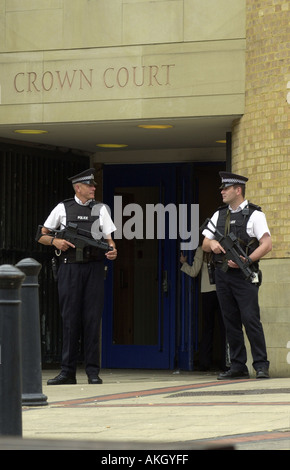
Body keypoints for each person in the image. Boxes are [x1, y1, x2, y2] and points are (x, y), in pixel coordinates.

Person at [38, 168, 117, 385]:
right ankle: (67, 372)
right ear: (78, 187)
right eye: (90, 185)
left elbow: (110, 239)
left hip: (93, 268)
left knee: (92, 319)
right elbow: (42, 235)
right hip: (69, 267)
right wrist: (56, 242)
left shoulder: (100, 209)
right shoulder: (63, 208)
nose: (94, 188)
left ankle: (92, 371)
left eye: (94, 186)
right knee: (70, 320)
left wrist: (112, 250)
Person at [202, 171, 272, 380]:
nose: (222, 192)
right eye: (222, 189)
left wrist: (247, 260)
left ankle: (261, 365)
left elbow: (267, 244)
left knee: (251, 319)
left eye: (226, 188)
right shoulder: (219, 215)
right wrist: (213, 244)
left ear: (238, 190)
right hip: (223, 275)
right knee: (230, 321)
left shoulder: (255, 215)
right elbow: (205, 242)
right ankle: (238, 366)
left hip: (244, 275)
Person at [180, 247, 227, 371]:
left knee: (207, 329)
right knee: (225, 329)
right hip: (222, 292)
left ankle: (204, 363)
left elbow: (194, 272)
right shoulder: (222, 248)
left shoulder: (201, 250)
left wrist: (184, 263)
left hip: (207, 293)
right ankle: (226, 363)